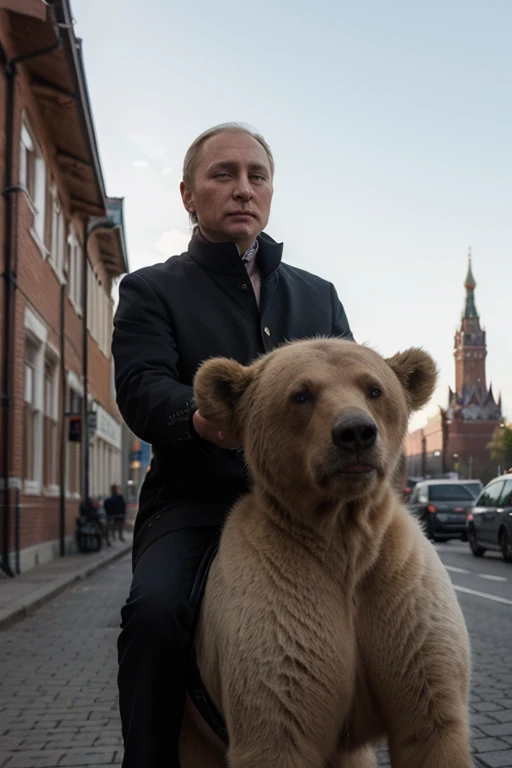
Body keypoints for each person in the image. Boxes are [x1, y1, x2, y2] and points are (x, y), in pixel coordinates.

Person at [113, 122, 353, 767]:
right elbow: (139, 386)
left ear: (271, 191)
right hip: (197, 504)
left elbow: (357, 388)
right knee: (154, 615)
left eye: (257, 175)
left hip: (307, 511)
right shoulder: (149, 289)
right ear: (189, 195)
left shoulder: (317, 294)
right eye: (224, 175)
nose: (243, 188)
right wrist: (196, 418)